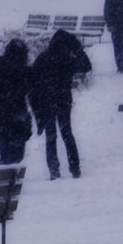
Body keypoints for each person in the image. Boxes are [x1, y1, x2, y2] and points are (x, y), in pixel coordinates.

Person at [28, 27, 92, 179]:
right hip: (63, 101)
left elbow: (32, 85)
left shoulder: (42, 58)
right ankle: (74, 167)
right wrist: (78, 49)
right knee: (67, 133)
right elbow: (87, 66)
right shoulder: (67, 60)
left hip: (46, 102)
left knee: (51, 136)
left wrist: (37, 112)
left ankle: (54, 170)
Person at [0, 39, 33, 165]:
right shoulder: (25, 72)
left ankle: (6, 182)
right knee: (17, 159)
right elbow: (32, 92)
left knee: (5, 159)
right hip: (19, 120)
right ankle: (11, 182)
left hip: (0, 119)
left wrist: (4, 95)